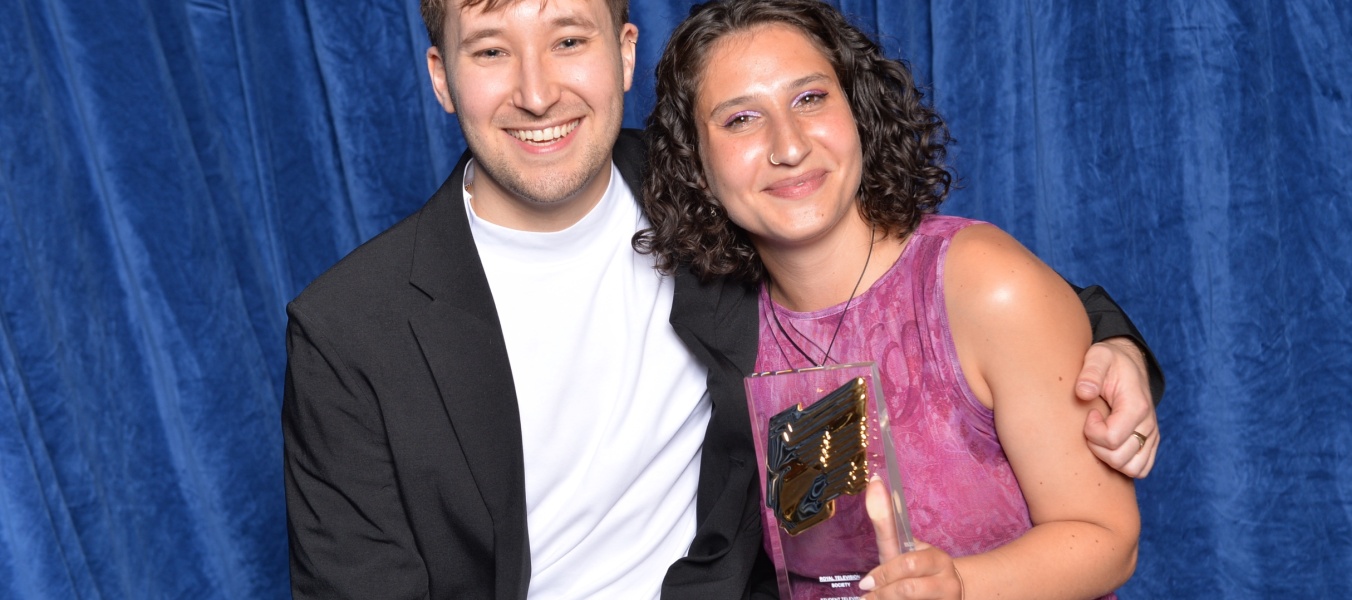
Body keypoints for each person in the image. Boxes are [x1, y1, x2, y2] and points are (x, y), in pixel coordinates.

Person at [281, 0, 1161, 598]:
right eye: (490, 50)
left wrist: (1111, 344)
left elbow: (919, 282)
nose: (537, 90)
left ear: (624, 53)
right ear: (440, 77)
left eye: (570, 39)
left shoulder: (707, 199)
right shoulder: (348, 330)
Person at [636, 1, 1142, 598]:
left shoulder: (979, 283)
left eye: (810, 98)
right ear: (696, 163)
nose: (789, 146)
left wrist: (959, 584)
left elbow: (1109, 538)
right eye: (741, 119)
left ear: (858, 110)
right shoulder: (728, 328)